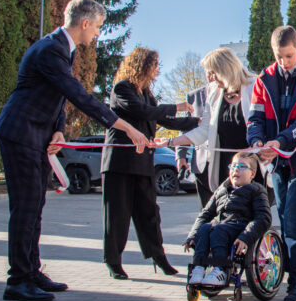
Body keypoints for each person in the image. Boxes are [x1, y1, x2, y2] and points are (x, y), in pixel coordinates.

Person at [0, 0, 149, 301]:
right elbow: (78, 95)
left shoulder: (62, 50)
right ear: (84, 22)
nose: (97, 34)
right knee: (25, 208)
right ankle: (17, 280)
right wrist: (127, 127)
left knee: (35, 206)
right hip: (20, 133)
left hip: (38, 136)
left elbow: (57, 96)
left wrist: (58, 129)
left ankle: (31, 270)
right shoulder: (51, 48)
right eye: (98, 27)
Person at [101, 47, 199, 280]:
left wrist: (199, 122)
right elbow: (144, 113)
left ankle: (158, 257)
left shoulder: (146, 93)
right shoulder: (122, 88)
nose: (157, 70)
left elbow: (163, 118)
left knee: (149, 213)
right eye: (154, 65)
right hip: (119, 162)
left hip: (143, 162)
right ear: (142, 65)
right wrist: (177, 106)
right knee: (118, 214)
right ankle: (113, 261)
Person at [247, 25, 296, 301]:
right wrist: (257, 143)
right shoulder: (263, 79)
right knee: (284, 217)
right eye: (278, 56)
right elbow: (254, 117)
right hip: (276, 162)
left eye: (289, 56)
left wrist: (278, 142)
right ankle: (294, 285)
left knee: (294, 220)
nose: (283, 62)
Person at [162, 47, 266, 205]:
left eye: (213, 72)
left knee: (252, 214)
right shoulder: (214, 92)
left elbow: (266, 124)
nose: (211, 78)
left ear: (225, 69)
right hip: (225, 165)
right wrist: (171, 142)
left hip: (253, 165)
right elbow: (203, 130)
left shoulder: (255, 86)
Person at [183, 152, 271, 285]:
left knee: (218, 230)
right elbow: (205, 213)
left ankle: (221, 270)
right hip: (219, 225)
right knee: (205, 228)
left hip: (240, 227)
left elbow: (263, 217)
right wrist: (192, 236)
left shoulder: (256, 190)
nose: (236, 169)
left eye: (242, 166)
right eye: (233, 166)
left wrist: (246, 237)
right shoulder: (222, 190)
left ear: (252, 174)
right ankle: (199, 267)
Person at [176, 81, 212, 208]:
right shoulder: (193, 96)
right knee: (206, 208)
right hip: (201, 161)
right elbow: (186, 126)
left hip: (223, 160)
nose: (211, 75)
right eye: (209, 72)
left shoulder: (228, 92)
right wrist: (181, 156)